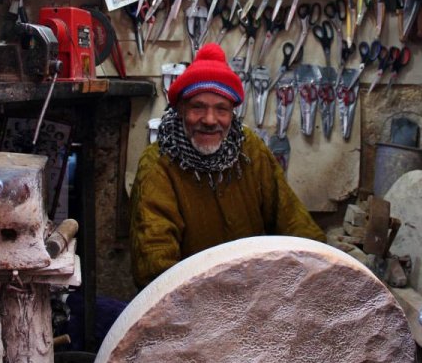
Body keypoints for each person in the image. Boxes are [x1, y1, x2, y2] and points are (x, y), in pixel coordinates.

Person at [130, 43, 326, 290]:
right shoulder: (159, 163)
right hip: (190, 302)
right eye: (198, 107)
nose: (210, 120)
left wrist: (320, 267)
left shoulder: (250, 150)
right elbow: (155, 262)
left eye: (221, 109)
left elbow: (291, 220)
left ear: (233, 112)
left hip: (256, 294)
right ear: (181, 109)